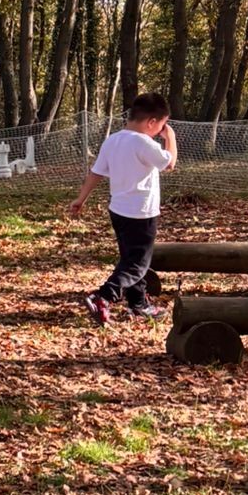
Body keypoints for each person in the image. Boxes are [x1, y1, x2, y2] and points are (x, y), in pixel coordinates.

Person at [68, 92, 177, 324]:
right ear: (151, 122)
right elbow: (170, 163)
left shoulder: (113, 140)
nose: (162, 130)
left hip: (118, 210)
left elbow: (96, 172)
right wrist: (171, 138)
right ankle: (103, 296)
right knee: (138, 264)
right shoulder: (144, 142)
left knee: (129, 258)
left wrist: (81, 199)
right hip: (141, 212)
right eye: (162, 125)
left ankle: (139, 304)